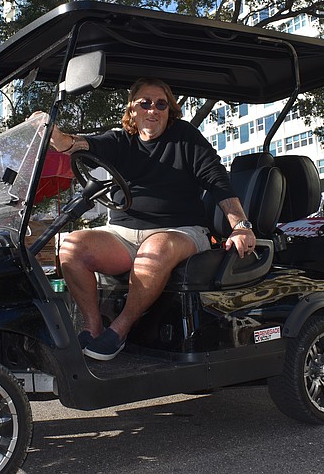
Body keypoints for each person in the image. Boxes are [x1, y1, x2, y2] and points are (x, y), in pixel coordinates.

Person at [47, 78, 255, 361]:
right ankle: (93, 327)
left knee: (154, 250)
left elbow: (217, 180)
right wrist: (57, 137)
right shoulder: (120, 139)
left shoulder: (185, 137)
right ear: (132, 110)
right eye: (144, 103)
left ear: (170, 111)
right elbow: (81, 146)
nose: (153, 110)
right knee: (70, 246)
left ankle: (119, 330)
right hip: (122, 233)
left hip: (180, 231)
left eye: (161, 104)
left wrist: (240, 226)